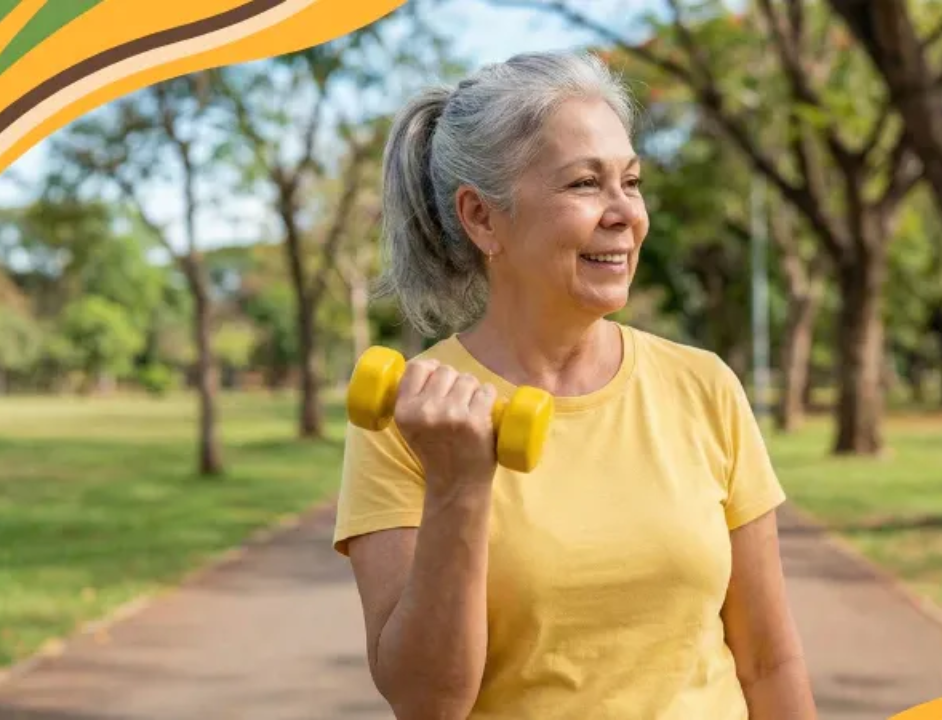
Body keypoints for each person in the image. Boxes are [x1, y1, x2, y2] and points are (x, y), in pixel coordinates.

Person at [332, 50, 816, 719]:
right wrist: (458, 486)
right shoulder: (409, 421)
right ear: (481, 218)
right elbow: (426, 703)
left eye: (632, 181)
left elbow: (769, 660)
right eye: (585, 184)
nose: (624, 214)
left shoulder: (705, 388)